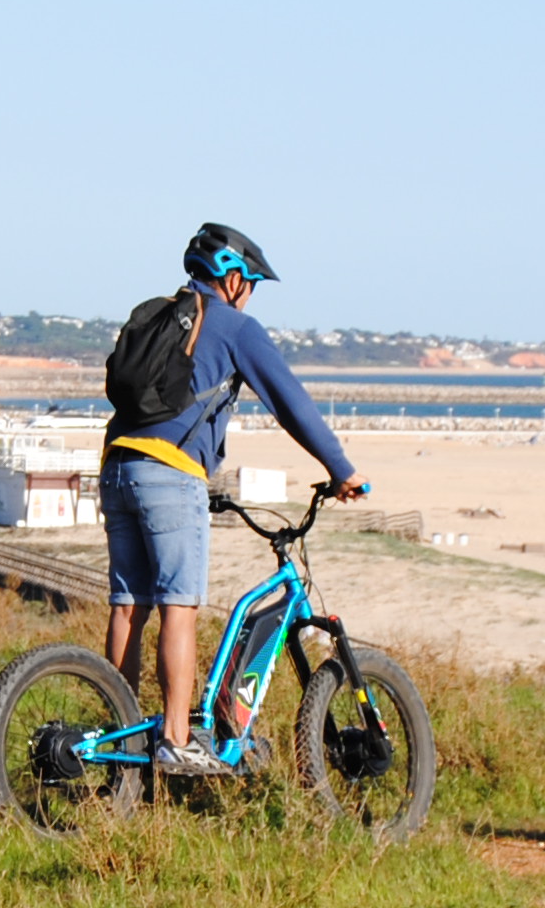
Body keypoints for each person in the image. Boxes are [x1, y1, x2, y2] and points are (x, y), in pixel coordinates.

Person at [101, 222, 365, 778]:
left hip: (117, 466)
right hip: (171, 474)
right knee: (180, 606)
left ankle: (117, 733)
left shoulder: (161, 314)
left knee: (129, 606)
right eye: (253, 282)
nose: (253, 294)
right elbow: (291, 403)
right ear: (235, 278)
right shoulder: (235, 327)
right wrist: (340, 470)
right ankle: (175, 740)